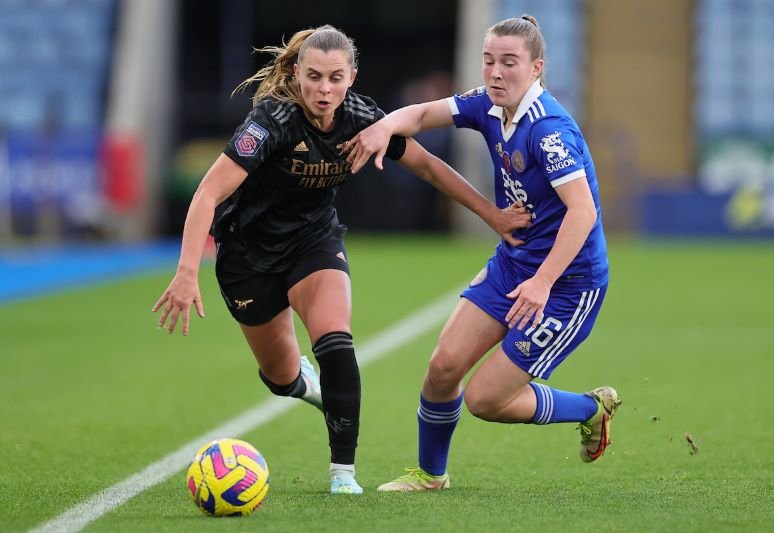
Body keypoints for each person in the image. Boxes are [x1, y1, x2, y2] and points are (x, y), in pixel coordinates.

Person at [151, 24, 531, 495]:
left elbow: (429, 167)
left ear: (352, 76)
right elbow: (208, 192)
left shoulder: (362, 119)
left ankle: (343, 475)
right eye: (313, 77)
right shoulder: (270, 122)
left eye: (335, 78)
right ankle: (302, 385)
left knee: (336, 344)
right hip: (247, 255)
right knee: (280, 376)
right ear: (296, 73)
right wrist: (188, 272)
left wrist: (492, 215)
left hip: (313, 242)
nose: (324, 89)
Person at [346, 15, 621, 491]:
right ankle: (431, 475)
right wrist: (382, 128)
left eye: (509, 63)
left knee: (485, 400)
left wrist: (543, 281)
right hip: (514, 262)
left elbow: (584, 213)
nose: (496, 73)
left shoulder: (549, 131)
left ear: (536, 68)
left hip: (566, 285)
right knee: (443, 367)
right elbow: (420, 115)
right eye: (489, 61)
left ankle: (591, 408)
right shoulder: (487, 105)